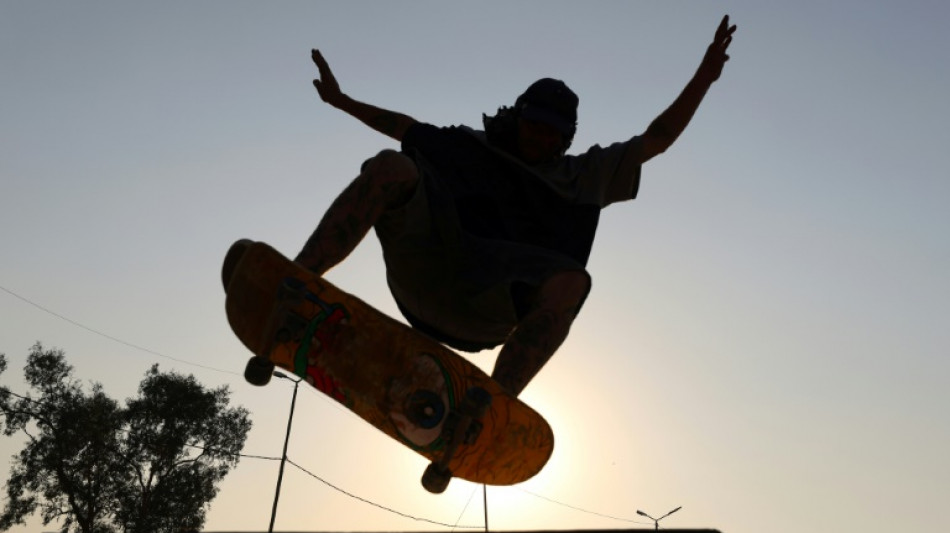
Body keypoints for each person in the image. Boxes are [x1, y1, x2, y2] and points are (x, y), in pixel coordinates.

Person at [296, 16, 737, 397]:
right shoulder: (470, 145)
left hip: (485, 313)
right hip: (425, 270)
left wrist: (705, 77)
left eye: (553, 133)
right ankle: (298, 279)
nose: (541, 137)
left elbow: (656, 139)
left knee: (573, 283)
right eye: (534, 125)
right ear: (518, 115)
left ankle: (492, 403)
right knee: (392, 166)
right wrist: (342, 101)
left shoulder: (583, 176)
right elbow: (403, 127)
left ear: (567, 138)